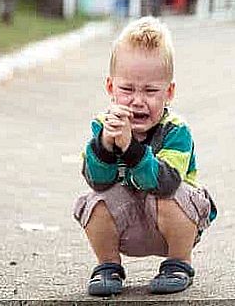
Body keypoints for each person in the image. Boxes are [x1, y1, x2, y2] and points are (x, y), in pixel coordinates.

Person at [73, 16, 217, 296]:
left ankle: (179, 263)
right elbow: (96, 180)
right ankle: (108, 266)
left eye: (151, 91)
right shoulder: (103, 126)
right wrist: (106, 143)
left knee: (172, 194)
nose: (138, 100)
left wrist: (130, 148)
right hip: (129, 222)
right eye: (127, 89)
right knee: (95, 201)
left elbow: (166, 183)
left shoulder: (177, 131)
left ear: (169, 92)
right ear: (111, 88)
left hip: (174, 224)